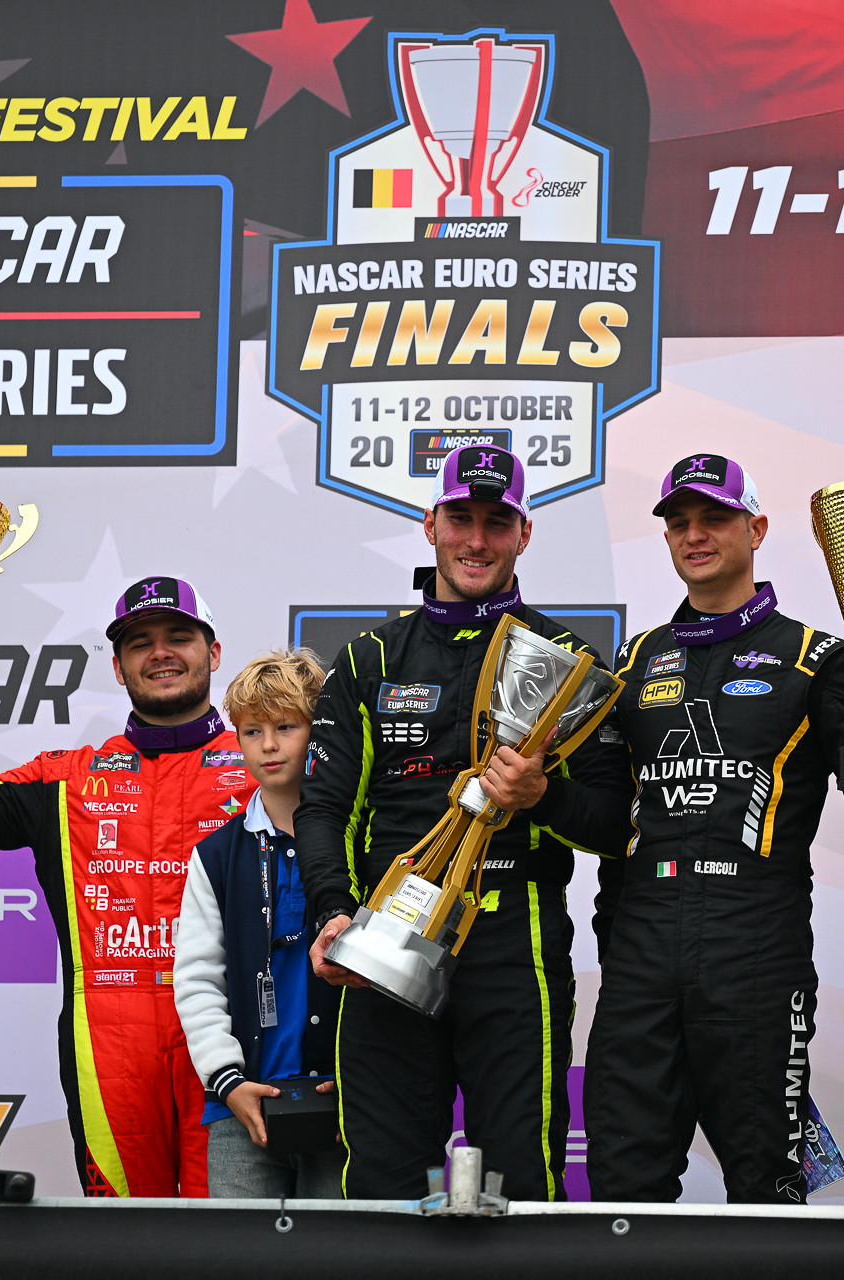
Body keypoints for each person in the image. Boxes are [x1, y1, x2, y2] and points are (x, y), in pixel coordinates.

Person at [535, 454, 844, 1204]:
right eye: (678, 522)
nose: (695, 534)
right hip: (642, 945)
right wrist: (540, 795)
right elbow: (611, 820)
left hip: (754, 945)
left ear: (756, 528)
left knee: (765, 1181)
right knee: (621, 1180)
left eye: (713, 517)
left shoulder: (818, 658)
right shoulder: (637, 659)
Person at [295, 445, 631, 1201]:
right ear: (430, 524)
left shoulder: (568, 660)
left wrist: (541, 796)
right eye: (461, 518)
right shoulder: (373, 656)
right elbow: (323, 808)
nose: (476, 539)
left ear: (524, 534)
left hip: (515, 944)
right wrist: (331, 911)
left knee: (519, 1184)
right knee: (381, 1183)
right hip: (387, 934)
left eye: (496, 522)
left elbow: (614, 825)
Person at [0, 576, 254, 1197]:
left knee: (231, 1232)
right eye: (140, 643)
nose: (160, 653)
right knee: (129, 1239)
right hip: (108, 1039)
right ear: (118, 668)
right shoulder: (67, 779)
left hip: (233, 1030)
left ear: (214, 653)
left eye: (179, 637)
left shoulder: (266, 768)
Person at [174, 648, 343, 1198]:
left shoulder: (361, 843)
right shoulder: (218, 855)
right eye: (251, 732)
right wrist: (229, 1082)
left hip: (345, 1103)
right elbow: (198, 979)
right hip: (241, 1104)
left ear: (318, 731)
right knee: (242, 1263)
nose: (268, 746)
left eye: (286, 727)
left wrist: (362, 1077)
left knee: (345, 1259)